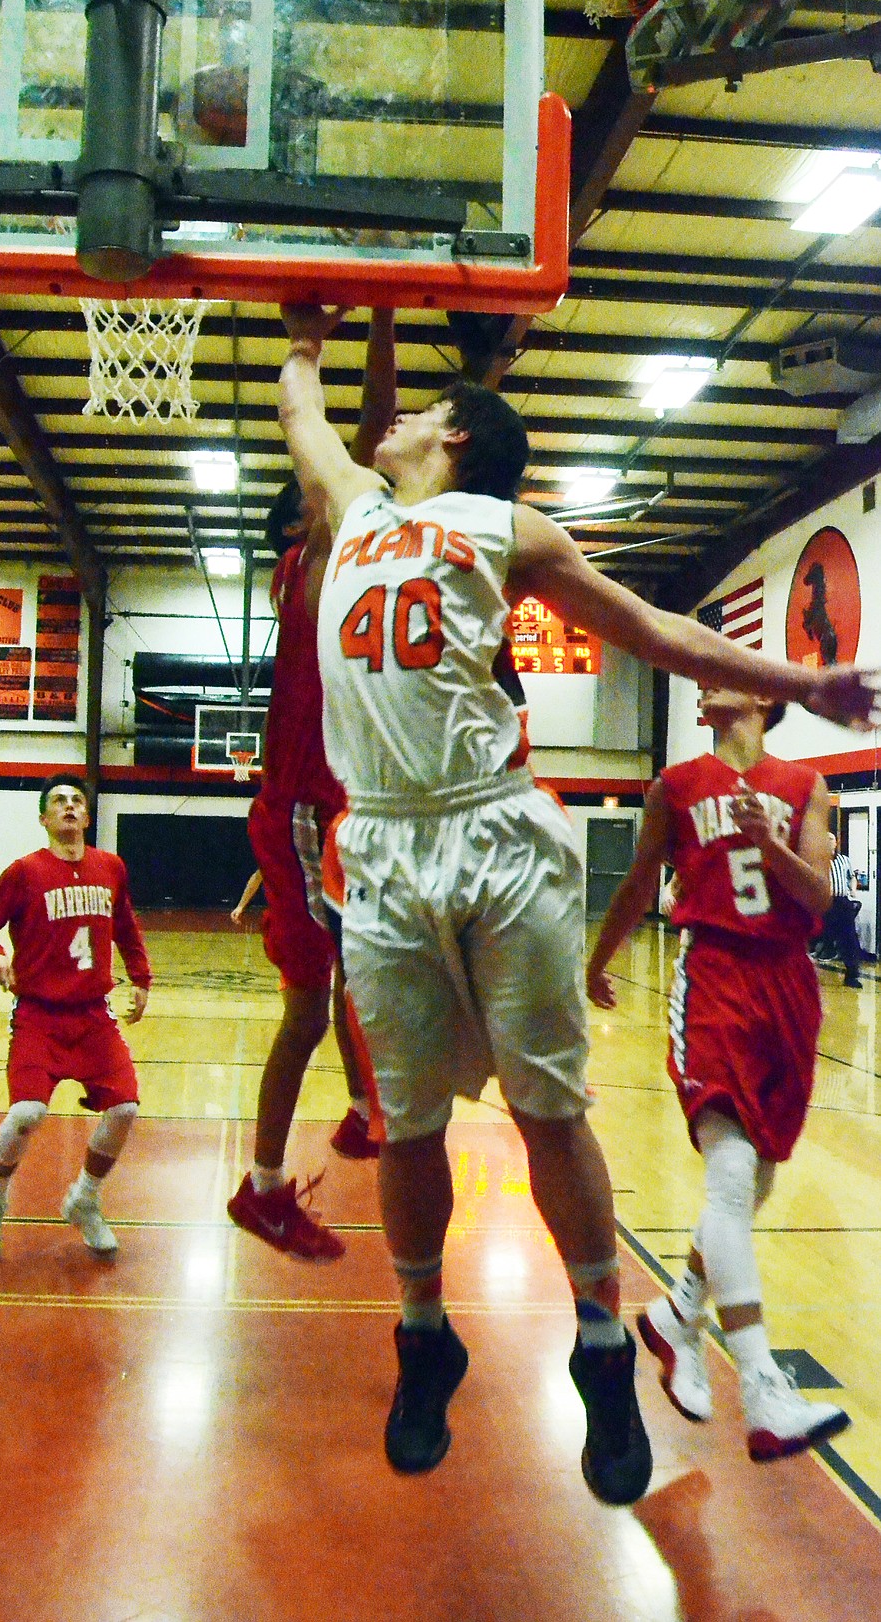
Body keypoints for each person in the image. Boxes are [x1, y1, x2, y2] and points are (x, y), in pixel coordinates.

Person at [275, 302, 877, 1501]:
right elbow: (302, 415)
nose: (386, 421)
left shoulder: (504, 526)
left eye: (420, 413)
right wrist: (305, 332)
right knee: (406, 1120)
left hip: (495, 830)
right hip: (384, 844)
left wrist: (804, 677)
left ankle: (603, 1342)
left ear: (453, 437)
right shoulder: (353, 507)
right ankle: (421, 1333)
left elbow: (655, 629)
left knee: (549, 1110)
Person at [586, 691, 852, 1462]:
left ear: (762, 697)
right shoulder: (674, 784)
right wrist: (598, 960)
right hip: (715, 978)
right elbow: (640, 882)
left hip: (789, 989)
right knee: (732, 1179)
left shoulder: (805, 783)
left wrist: (773, 847)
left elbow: (819, 897)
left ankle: (678, 1314)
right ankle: (764, 1387)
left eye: (717, 669)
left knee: (755, 1186)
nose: (702, 683)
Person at [227, 311, 396, 1262]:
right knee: (311, 997)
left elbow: (370, 440)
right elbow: (364, 436)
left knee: (354, 976)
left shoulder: (354, 557)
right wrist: (363, 321)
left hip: (337, 807)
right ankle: (261, 1188)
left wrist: (380, 316)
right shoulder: (316, 557)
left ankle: (363, 1107)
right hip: (304, 803)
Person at [0, 776, 151, 1262]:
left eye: (76, 801)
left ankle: (85, 1198)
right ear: (44, 818)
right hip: (39, 1014)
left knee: (126, 1109)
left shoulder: (112, 867)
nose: (69, 807)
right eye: (58, 802)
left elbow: (126, 927)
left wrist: (141, 980)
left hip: (93, 1014)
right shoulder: (24, 872)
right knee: (28, 1113)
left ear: (87, 817)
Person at [823, 831, 864, 988]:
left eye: (831, 839)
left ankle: (852, 975)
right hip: (825, 902)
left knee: (849, 937)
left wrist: (853, 889)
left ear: (836, 842)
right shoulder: (819, 860)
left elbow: (851, 877)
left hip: (842, 901)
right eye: (825, 839)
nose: (829, 842)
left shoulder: (844, 860)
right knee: (818, 934)